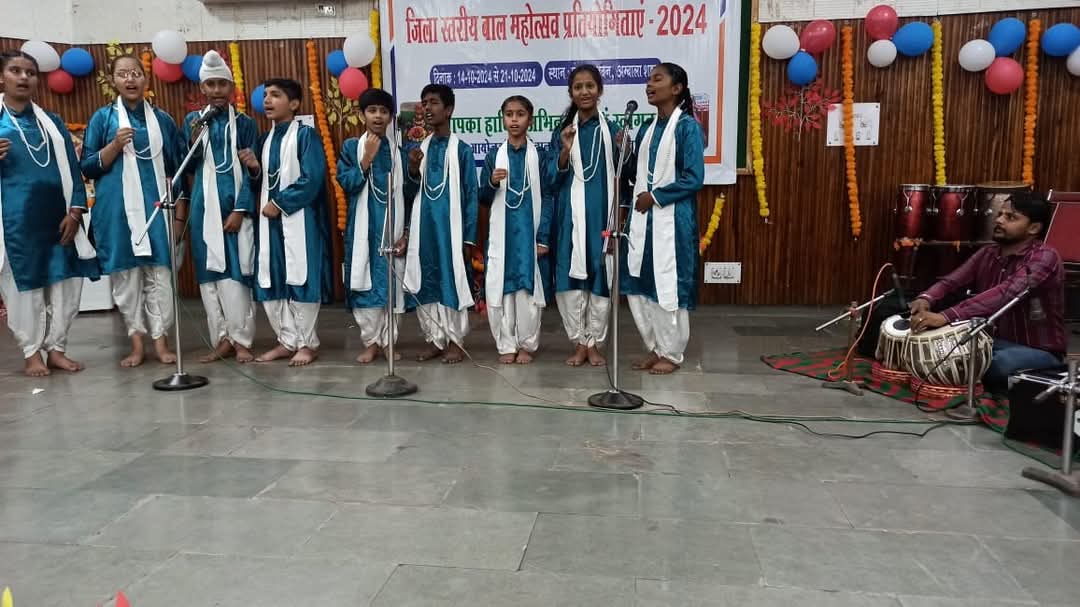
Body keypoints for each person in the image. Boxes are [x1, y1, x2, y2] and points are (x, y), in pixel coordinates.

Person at [81, 54, 185, 367]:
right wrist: (114, 146)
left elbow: (177, 170)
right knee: (126, 280)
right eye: (123, 74)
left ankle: (161, 342)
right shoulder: (103, 119)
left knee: (160, 277)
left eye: (136, 73)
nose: (130, 79)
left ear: (145, 79)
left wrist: (179, 216)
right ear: (112, 81)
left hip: (157, 211)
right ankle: (137, 344)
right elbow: (87, 167)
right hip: (117, 212)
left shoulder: (163, 120)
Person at [0, 50, 100, 376]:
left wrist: (76, 211)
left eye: (30, 72)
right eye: (15, 70)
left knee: (65, 284)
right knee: (24, 287)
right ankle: (32, 353)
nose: (24, 77)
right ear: (2, 77)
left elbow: (72, 167)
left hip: (60, 219)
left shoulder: (52, 122)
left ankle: (57, 349)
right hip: (16, 223)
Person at [909, 192, 1066, 392]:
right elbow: (952, 281)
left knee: (992, 364)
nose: (999, 220)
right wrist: (926, 298)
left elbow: (1005, 293)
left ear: (1033, 228)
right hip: (992, 342)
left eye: (1011, 217)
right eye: (1000, 214)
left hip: (1039, 351)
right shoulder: (988, 253)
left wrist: (945, 316)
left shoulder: (1045, 258)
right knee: (942, 350)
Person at [622, 63, 705, 375]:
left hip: (672, 220)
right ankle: (655, 347)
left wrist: (655, 197)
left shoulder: (687, 127)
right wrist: (624, 152)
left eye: (657, 79)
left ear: (677, 88)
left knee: (667, 284)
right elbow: (635, 174)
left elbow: (693, 178)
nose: (649, 84)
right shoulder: (646, 127)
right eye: (648, 79)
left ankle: (671, 352)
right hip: (643, 221)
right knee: (642, 285)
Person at [182, 50, 260, 364]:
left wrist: (240, 210)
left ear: (231, 88)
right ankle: (221, 340)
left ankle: (242, 341)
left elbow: (253, 172)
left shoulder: (245, 124)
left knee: (235, 278)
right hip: (204, 211)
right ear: (202, 88)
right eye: (210, 84)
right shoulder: (193, 122)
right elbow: (188, 166)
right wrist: (193, 139)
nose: (216, 90)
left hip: (234, 210)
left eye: (221, 84)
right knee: (209, 278)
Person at [250, 78, 333, 366]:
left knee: (301, 278)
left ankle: (307, 343)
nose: (267, 100)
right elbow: (261, 181)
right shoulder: (265, 139)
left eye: (275, 95)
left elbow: (312, 178)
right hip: (269, 222)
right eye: (265, 95)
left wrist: (279, 203)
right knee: (272, 277)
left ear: (294, 104)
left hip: (300, 219)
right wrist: (254, 169)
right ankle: (286, 340)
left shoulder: (306, 136)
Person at [547, 64, 622, 367]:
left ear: (599, 90)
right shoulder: (563, 131)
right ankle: (579, 342)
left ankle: (595, 344)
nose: (584, 91)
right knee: (570, 282)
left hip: (602, 217)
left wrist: (624, 150)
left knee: (600, 279)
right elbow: (551, 179)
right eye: (578, 87)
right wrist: (565, 150)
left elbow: (626, 175)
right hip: (570, 220)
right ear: (571, 93)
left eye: (590, 86)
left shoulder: (613, 130)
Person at [402, 83, 478, 364]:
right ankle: (434, 339)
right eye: (424, 103)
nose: (427, 108)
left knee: (451, 283)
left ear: (449, 109)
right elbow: (409, 194)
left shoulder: (462, 151)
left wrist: (468, 238)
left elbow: (471, 195)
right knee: (427, 282)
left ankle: (456, 341)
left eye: (434, 102)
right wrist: (412, 169)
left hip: (451, 232)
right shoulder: (417, 150)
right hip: (424, 231)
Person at [478, 95, 552, 364]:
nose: (514, 120)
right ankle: (505, 343)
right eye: (509, 114)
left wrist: (543, 237)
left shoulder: (540, 156)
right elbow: (483, 198)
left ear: (530, 119)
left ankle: (527, 344)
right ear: (503, 118)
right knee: (501, 289)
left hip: (528, 235)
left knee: (526, 290)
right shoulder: (493, 156)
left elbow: (548, 197)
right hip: (502, 237)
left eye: (520, 114)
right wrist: (491, 181)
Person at [337, 88, 408, 364]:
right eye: (372, 110)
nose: (378, 116)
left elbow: (409, 192)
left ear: (391, 117)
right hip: (364, 230)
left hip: (392, 228)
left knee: (392, 286)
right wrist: (366, 158)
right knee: (364, 283)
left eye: (384, 111)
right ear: (361, 114)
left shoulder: (399, 152)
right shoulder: (351, 147)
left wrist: (405, 232)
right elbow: (347, 183)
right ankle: (370, 342)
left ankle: (389, 342)